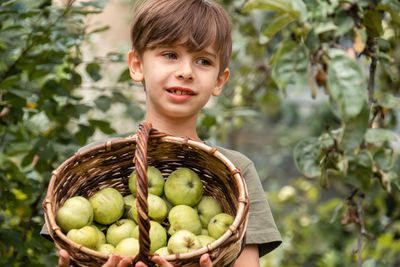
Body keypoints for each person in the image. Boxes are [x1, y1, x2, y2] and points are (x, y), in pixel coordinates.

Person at [49, 0, 282, 266]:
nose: (185, 72)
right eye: (170, 55)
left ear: (219, 81)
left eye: (203, 61)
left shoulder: (237, 172)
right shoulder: (91, 162)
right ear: (136, 65)